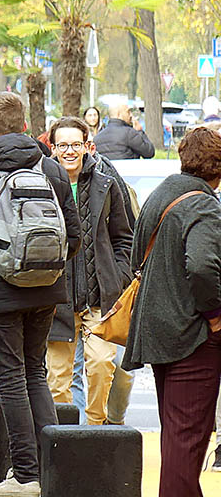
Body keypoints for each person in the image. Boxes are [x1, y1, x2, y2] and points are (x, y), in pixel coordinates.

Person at [0, 92, 80, 497]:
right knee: (36, 373)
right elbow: (75, 236)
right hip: (47, 289)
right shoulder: (53, 169)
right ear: (27, 124)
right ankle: (50, 468)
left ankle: (25, 474)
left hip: (1, 291)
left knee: (11, 378)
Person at [122, 127, 221, 497]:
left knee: (178, 433)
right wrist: (214, 315)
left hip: (159, 328)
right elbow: (201, 266)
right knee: (187, 438)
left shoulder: (163, 192)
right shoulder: (203, 205)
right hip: (191, 334)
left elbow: (136, 255)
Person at [44, 117, 133, 426]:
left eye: (75, 144)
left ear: (87, 146)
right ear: (52, 148)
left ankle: (95, 429)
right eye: (62, 145)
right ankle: (61, 439)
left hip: (99, 298)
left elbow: (125, 236)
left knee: (100, 364)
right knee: (58, 378)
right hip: (56, 299)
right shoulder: (42, 182)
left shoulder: (105, 183)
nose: (70, 151)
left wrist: (118, 276)